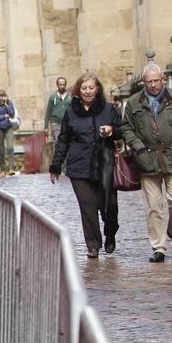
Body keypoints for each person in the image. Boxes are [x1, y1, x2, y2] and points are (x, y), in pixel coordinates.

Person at [118, 62, 172, 263]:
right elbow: (126, 127)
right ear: (143, 82)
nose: (153, 85)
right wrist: (138, 146)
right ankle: (159, 247)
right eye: (149, 81)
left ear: (163, 79)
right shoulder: (135, 102)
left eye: (156, 80)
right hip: (147, 160)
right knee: (153, 206)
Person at [49, 72, 122, 258]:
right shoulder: (71, 111)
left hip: (104, 165)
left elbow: (123, 130)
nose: (88, 91)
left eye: (91, 87)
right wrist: (56, 166)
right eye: (84, 88)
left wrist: (112, 131)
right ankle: (93, 245)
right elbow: (63, 140)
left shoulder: (108, 108)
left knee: (109, 206)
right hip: (79, 167)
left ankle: (110, 232)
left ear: (97, 89)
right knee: (88, 206)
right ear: (78, 90)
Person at [0, 89, 18, 175]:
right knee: (1, 150)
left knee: (10, 148)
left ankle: (11, 168)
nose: (1, 98)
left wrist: (6, 105)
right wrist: (5, 115)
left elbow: (12, 114)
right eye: (0, 96)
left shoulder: (9, 103)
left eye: (3, 96)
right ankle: (3, 169)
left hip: (9, 127)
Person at [46, 76, 70, 155]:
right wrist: (46, 127)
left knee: (67, 142)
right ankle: (59, 161)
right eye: (60, 85)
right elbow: (48, 112)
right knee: (58, 140)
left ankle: (66, 162)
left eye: (63, 85)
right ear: (57, 85)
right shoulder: (53, 97)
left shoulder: (70, 97)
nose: (62, 86)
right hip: (56, 123)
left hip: (67, 123)